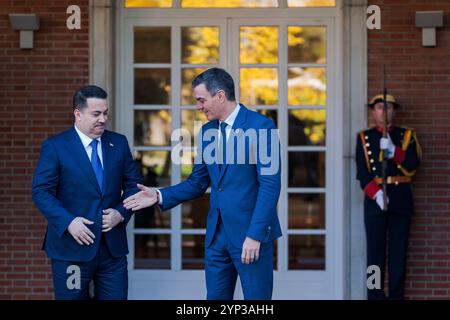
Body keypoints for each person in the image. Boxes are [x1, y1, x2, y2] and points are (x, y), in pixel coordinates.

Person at [124, 68, 281, 300]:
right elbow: (197, 182)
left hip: (250, 234)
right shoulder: (207, 131)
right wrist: (159, 195)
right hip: (217, 237)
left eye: (201, 100)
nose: (198, 106)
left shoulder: (262, 127)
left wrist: (255, 235)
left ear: (219, 96)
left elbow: (270, 186)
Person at [32, 85, 142, 300]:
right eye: (96, 114)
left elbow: (133, 185)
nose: (103, 119)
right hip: (71, 250)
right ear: (78, 113)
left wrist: (121, 212)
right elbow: (41, 192)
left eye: (105, 113)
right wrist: (69, 222)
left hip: (112, 251)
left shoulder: (118, 143)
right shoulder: (55, 146)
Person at [355, 93, 422, 300]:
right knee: (374, 256)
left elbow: (413, 164)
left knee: (398, 256)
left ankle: (396, 297)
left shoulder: (406, 135)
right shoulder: (364, 138)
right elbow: (362, 173)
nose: (384, 111)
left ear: (394, 111)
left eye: (388, 108)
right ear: (373, 111)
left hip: (400, 198)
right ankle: (374, 297)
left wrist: (394, 151)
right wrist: (376, 195)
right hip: (375, 201)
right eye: (380, 108)